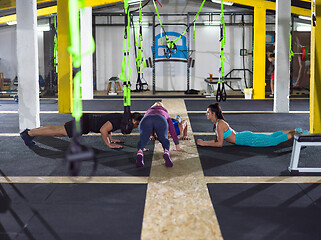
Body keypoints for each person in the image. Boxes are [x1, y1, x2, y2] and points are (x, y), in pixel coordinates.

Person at [196, 103, 306, 148]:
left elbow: (219, 144)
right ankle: (297, 130)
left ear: (214, 114)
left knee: (272, 141)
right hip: (244, 137)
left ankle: (300, 134)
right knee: (271, 136)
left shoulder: (220, 124)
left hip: (246, 139)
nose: (206, 114)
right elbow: (217, 140)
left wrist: (204, 144)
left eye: (208, 112)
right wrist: (204, 142)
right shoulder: (218, 123)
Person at [20, 112, 143, 149]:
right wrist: (109, 144)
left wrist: (112, 138)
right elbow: (103, 130)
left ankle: (29, 131)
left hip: (85, 120)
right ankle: (29, 134)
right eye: (136, 124)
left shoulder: (122, 118)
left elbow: (109, 127)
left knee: (57, 129)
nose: (136, 127)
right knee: (57, 132)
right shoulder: (121, 120)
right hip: (84, 124)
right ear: (132, 119)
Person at [136, 102, 181, 168]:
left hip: (146, 119)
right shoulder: (165, 112)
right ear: (163, 107)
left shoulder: (148, 111)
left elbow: (142, 130)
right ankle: (166, 152)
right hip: (160, 119)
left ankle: (140, 152)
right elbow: (172, 129)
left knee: (143, 138)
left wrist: (142, 145)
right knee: (164, 139)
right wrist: (177, 144)